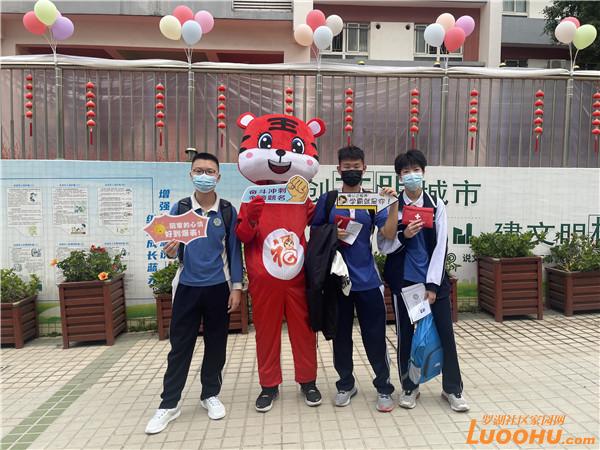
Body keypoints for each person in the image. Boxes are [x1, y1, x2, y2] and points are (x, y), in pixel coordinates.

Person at [145, 152, 243, 434]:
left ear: (218, 177)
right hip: (187, 287)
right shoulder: (181, 208)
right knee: (180, 347)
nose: (204, 176)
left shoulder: (227, 211)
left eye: (210, 171)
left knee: (216, 345)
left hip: (218, 288)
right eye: (199, 170)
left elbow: (235, 252)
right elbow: (170, 247)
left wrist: (237, 287)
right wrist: (169, 250)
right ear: (191, 175)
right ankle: (169, 404)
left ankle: (210, 394)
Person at [235, 112, 326, 413]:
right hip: (264, 279)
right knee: (266, 332)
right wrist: (250, 218)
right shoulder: (252, 196)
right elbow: (243, 235)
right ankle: (269, 385)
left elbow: (320, 220)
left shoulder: (299, 196)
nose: (280, 155)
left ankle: (308, 381)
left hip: (298, 277)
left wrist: (344, 213)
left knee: (304, 330)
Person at [377, 149, 469, 412]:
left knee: (445, 334)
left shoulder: (436, 204)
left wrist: (432, 286)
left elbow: (441, 247)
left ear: (424, 173)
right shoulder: (393, 205)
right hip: (404, 284)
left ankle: (452, 389)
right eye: (406, 172)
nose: (412, 176)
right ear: (399, 177)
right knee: (405, 336)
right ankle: (409, 386)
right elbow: (383, 245)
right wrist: (404, 235)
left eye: (416, 170)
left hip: (433, 285)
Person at [311, 145, 399, 412]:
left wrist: (393, 205)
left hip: (368, 281)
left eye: (356, 167)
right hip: (337, 281)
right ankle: (345, 384)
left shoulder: (372, 200)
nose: (351, 171)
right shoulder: (328, 200)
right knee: (341, 337)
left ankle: (383, 387)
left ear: (364, 168)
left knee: (375, 336)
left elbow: (389, 234)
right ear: (338, 170)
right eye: (346, 167)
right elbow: (314, 232)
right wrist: (331, 233)